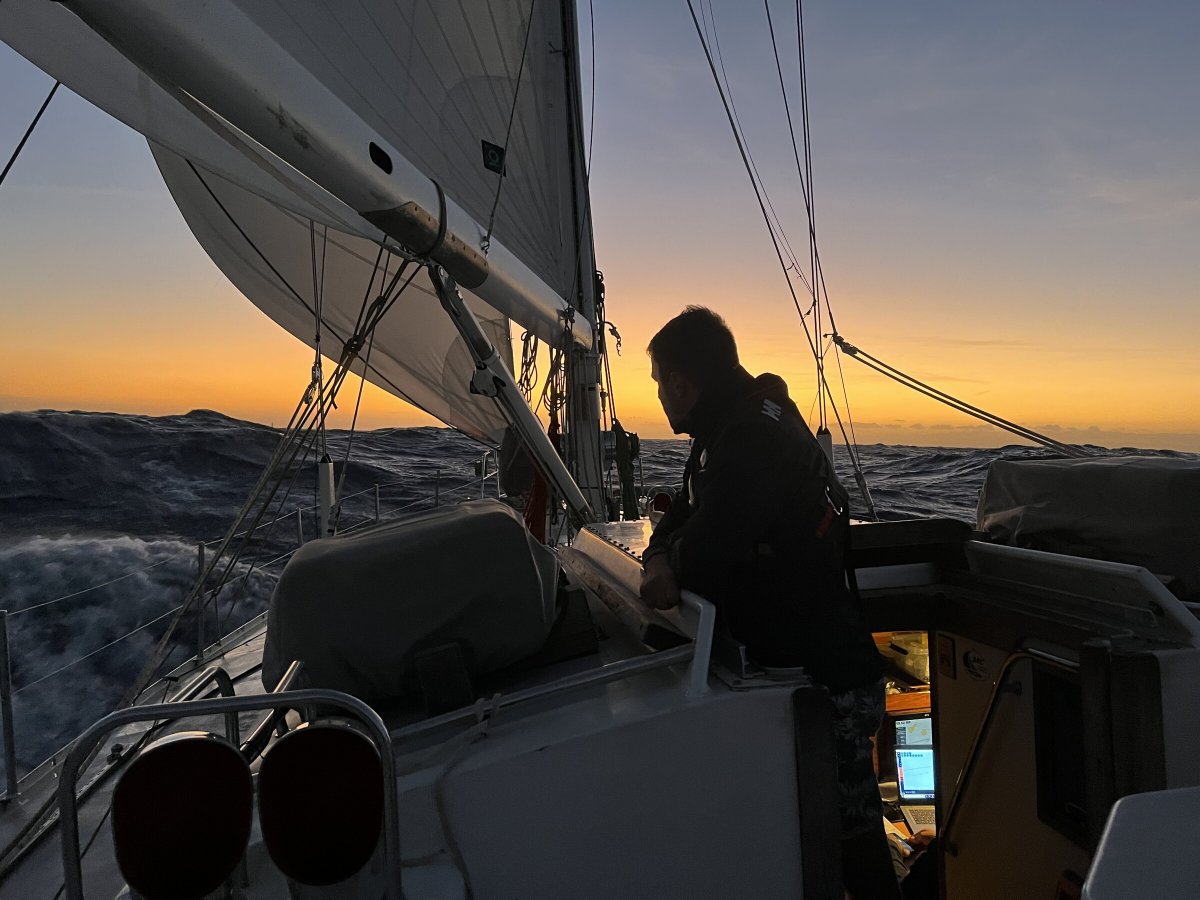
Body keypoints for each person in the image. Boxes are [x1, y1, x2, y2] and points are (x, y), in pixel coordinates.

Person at [639, 306, 899, 899]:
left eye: (659, 385)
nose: (660, 399)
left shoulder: (752, 438)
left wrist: (665, 562)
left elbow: (702, 553)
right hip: (793, 671)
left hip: (825, 683)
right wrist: (659, 552)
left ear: (680, 382)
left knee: (847, 838)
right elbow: (681, 517)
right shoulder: (731, 428)